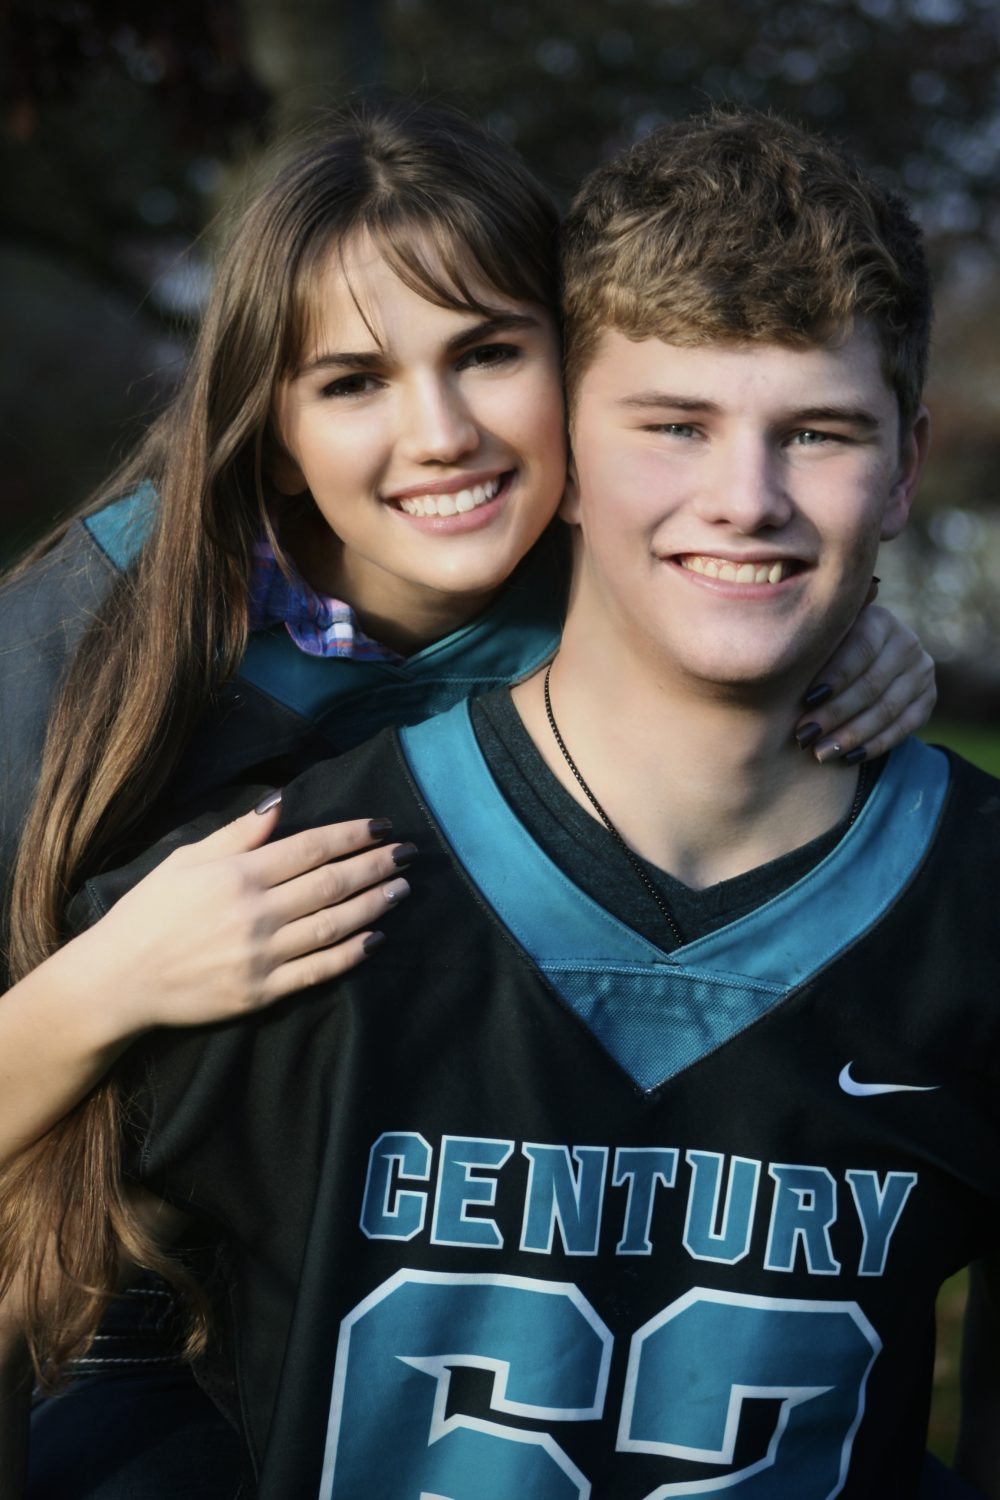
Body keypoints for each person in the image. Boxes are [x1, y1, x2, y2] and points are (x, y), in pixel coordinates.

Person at [21, 105, 993, 1498]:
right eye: (672, 425)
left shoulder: (962, 890)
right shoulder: (213, 815)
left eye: (822, 436)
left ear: (904, 467)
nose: (745, 495)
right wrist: (93, 990)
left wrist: (850, 625)